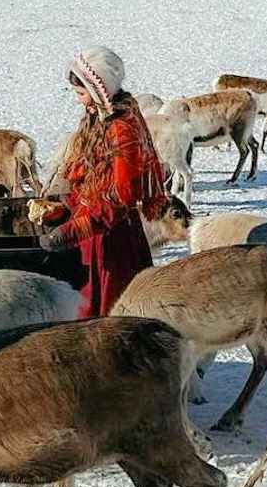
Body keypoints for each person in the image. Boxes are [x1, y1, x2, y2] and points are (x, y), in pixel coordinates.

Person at [37, 46, 169, 318]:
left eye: (81, 93)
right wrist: (65, 206)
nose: (79, 100)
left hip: (111, 239)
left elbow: (122, 196)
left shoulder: (121, 129)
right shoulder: (100, 117)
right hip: (93, 227)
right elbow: (89, 177)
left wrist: (74, 230)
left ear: (100, 89)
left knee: (108, 313)